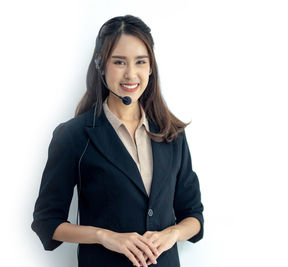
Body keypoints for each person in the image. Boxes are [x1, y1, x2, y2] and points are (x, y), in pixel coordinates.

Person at [31, 14, 204, 267]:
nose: (131, 74)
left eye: (140, 62)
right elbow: (47, 221)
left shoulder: (172, 134)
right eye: (119, 62)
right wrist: (105, 236)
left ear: (151, 67)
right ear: (101, 65)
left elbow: (194, 216)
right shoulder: (73, 136)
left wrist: (172, 234)